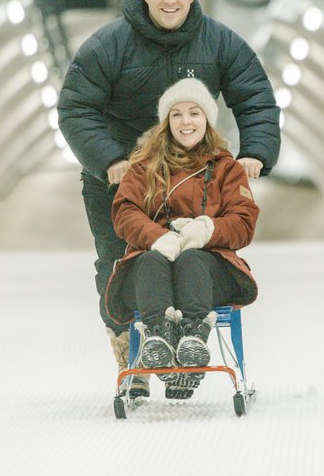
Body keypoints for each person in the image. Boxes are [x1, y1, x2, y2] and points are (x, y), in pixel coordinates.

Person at [56, 0, 280, 397]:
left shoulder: (219, 43)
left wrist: (255, 151)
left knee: (193, 259)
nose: (170, 0)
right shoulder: (109, 44)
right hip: (121, 177)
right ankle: (133, 358)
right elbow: (76, 107)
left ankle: (185, 350)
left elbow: (254, 95)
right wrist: (109, 161)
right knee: (119, 265)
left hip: (192, 178)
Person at [104, 78, 259, 399]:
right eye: (177, 114)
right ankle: (159, 337)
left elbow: (243, 220)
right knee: (149, 259)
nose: (186, 121)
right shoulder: (143, 167)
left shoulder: (226, 169)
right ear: (166, 122)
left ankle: (192, 338)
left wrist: (206, 230)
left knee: (192, 259)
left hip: (209, 268)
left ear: (207, 121)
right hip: (152, 268)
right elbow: (125, 211)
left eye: (194, 113)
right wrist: (157, 237)